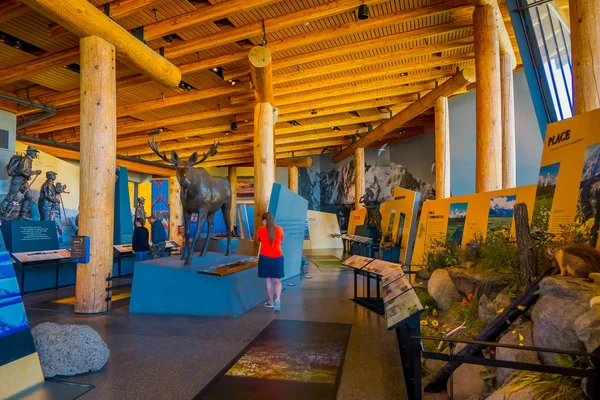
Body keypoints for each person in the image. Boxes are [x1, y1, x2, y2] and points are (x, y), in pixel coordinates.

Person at [0, 146, 42, 220]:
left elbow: (25, 173)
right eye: (34, 152)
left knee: (28, 196)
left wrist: (27, 176)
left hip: (23, 181)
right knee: (10, 197)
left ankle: (22, 215)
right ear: (30, 152)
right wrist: (35, 172)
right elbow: (23, 171)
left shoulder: (29, 160)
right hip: (17, 180)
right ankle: (1, 212)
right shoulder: (26, 160)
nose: (35, 154)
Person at [256, 212, 285, 312]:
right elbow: (281, 240)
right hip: (278, 257)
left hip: (265, 258)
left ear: (264, 220)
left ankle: (271, 302)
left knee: (268, 280)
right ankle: (278, 298)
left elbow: (260, 240)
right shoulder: (279, 229)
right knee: (277, 280)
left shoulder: (261, 230)